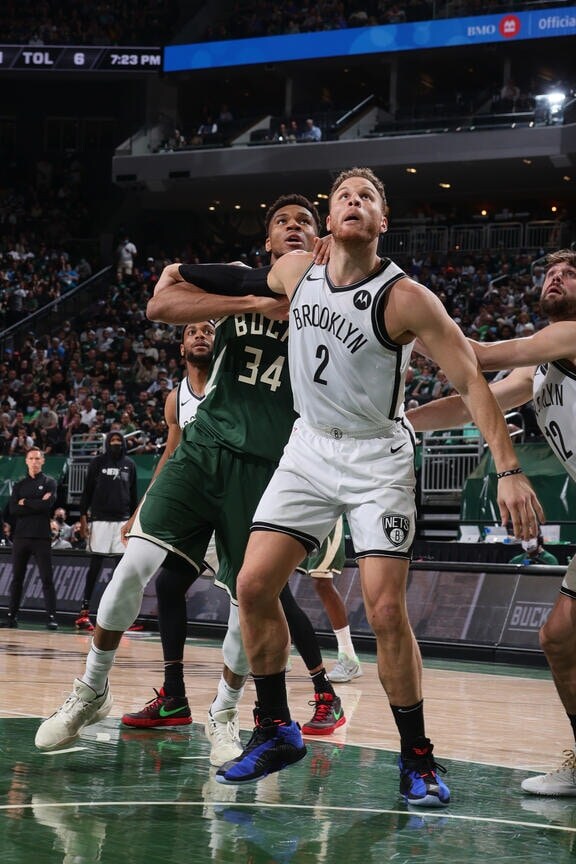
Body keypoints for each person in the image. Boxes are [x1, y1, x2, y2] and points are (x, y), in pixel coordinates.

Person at [179, 167, 542, 806]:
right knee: (253, 584)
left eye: (366, 197)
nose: (354, 203)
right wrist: (179, 270)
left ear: (382, 222)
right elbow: (238, 280)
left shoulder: (406, 299)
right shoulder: (297, 273)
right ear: (329, 219)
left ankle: (418, 758)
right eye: (343, 196)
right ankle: (274, 728)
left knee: (384, 607)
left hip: (378, 458)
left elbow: (470, 381)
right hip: (309, 448)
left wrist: (508, 469)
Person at [34, 194, 345, 756]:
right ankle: (90, 688)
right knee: (133, 568)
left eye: (306, 221)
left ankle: (223, 714)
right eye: (283, 222)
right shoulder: (241, 283)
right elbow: (161, 301)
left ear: (319, 237)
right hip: (203, 451)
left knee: (247, 602)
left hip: (271, 467)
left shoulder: (336, 296)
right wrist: (251, 301)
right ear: (269, 243)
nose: (295, 227)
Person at [406, 248, 576, 798]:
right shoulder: (541, 362)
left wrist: (412, 320)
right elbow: (469, 404)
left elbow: (473, 355)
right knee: (560, 638)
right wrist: (396, 425)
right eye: (551, 273)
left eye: (571, 273)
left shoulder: (568, 336)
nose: (557, 278)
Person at [74, 431, 138, 631]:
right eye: (113, 441)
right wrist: (83, 517)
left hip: (122, 521)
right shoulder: (97, 462)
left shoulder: (130, 464)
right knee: (95, 565)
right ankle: (84, 613)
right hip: (99, 521)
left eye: (119, 441)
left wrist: (133, 521)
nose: (116, 444)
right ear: (107, 443)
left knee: (122, 570)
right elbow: (87, 492)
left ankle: (121, 616)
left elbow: (134, 495)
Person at [295, 519, 363, 683]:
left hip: (326, 513)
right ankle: (279, 653)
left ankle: (348, 657)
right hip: (298, 513)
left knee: (322, 581)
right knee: (278, 576)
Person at [0, 447, 58, 630]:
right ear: (26, 461)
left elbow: (47, 505)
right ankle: (12, 616)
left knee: (46, 578)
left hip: (41, 537)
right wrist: (37, 503)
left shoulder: (50, 482)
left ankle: (51, 617)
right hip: (21, 537)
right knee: (17, 578)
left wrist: (25, 502)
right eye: (31, 458)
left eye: (37, 458)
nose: (34, 461)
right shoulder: (19, 485)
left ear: (43, 461)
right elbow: (13, 510)